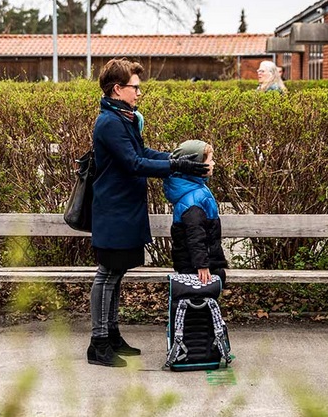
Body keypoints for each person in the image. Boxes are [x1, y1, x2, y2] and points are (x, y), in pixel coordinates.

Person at [88, 58, 209, 367]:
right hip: (113, 210)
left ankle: (111, 335)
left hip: (125, 210)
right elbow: (134, 163)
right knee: (107, 275)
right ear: (118, 89)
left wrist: (174, 157)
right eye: (135, 87)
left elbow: (142, 154)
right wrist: (177, 165)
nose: (139, 92)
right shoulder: (109, 122)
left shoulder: (124, 118)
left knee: (116, 274)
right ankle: (98, 343)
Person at [163, 140, 228, 285]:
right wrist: (202, 265)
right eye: (210, 160)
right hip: (195, 267)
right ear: (198, 166)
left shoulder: (196, 189)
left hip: (200, 262)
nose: (213, 164)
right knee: (201, 298)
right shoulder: (193, 200)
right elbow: (195, 235)